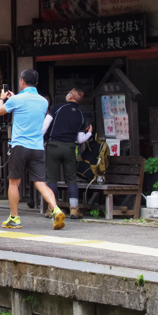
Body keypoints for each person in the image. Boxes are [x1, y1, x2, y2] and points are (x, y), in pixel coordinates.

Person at [0, 69, 65, 230]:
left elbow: (0, 111)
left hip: (20, 146)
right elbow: (28, 108)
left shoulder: (17, 99)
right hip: (37, 148)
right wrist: (15, 99)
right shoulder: (43, 102)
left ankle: (14, 218)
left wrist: (2, 98)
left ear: (22, 81)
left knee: (14, 183)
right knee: (41, 183)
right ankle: (55, 209)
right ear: (36, 83)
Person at [43, 87, 93, 219]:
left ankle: (51, 209)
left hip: (53, 146)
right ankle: (74, 210)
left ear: (70, 95)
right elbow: (80, 139)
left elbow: (45, 126)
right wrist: (89, 133)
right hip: (70, 148)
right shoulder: (80, 115)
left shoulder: (57, 108)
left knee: (52, 178)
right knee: (71, 179)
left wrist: (40, 141)